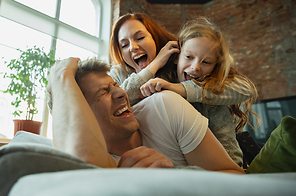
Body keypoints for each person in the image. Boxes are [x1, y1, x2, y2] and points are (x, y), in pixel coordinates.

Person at [46, 57, 245, 174]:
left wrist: (174, 182)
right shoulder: (94, 159)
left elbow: (235, 176)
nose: (121, 93)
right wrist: (60, 76)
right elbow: (83, 169)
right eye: (103, 92)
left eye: (115, 85)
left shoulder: (164, 106)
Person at [109, 13, 259, 166]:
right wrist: (155, 64)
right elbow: (116, 102)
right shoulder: (120, 75)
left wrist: (180, 89)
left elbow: (245, 89)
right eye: (124, 45)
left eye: (140, 38)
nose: (133, 47)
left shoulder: (186, 75)